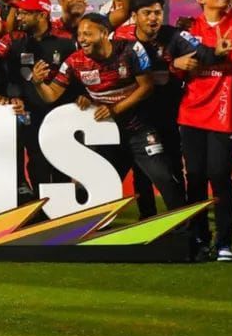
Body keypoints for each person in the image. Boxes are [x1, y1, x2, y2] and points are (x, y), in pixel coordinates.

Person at [32, 13, 186, 216]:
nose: (82, 39)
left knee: (164, 178)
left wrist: (114, 109)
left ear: (104, 33)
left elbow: (146, 87)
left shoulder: (130, 50)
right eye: (80, 34)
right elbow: (51, 95)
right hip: (107, 135)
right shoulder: (74, 62)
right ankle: (88, 227)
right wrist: (38, 83)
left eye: (88, 33)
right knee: (95, 186)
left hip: (139, 129)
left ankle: (186, 229)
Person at [114, 0, 221, 219]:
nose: (153, 18)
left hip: (168, 114)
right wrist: (172, 64)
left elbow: (204, 54)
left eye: (158, 12)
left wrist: (219, 52)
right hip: (135, 116)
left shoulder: (174, 35)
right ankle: (147, 220)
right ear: (135, 16)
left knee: (173, 167)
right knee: (141, 171)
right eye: (147, 13)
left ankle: (181, 222)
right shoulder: (122, 39)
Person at [177, 0, 232, 261]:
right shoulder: (188, 28)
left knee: (219, 176)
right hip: (191, 114)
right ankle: (199, 237)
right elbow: (178, 62)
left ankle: (224, 242)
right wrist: (181, 62)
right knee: (194, 177)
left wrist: (221, 50)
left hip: (223, 113)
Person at [0, 0, 78, 197]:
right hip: (29, 115)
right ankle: (40, 206)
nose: (20, 16)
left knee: (61, 164)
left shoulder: (66, 42)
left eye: (26, 13)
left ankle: (63, 208)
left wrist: (82, 97)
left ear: (42, 15)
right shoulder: (15, 41)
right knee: (37, 163)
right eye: (20, 13)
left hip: (60, 116)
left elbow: (77, 75)